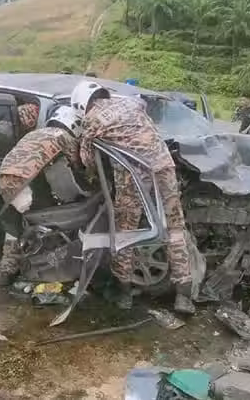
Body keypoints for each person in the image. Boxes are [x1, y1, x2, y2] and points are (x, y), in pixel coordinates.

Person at [71, 81, 196, 314]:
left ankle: (124, 293)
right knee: (175, 229)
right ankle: (184, 296)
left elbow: (86, 160)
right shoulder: (132, 104)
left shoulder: (92, 119)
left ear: (80, 105)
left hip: (133, 174)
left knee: (125, 233)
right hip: (164, 166)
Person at [0, 105, 82, 285]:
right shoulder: (64, 137)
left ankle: (7, 271)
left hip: (5, 180)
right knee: (47, 221)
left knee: (15, 227)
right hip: (25, 183)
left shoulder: (36, 133)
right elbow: (77, 166)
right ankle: (41, 266)